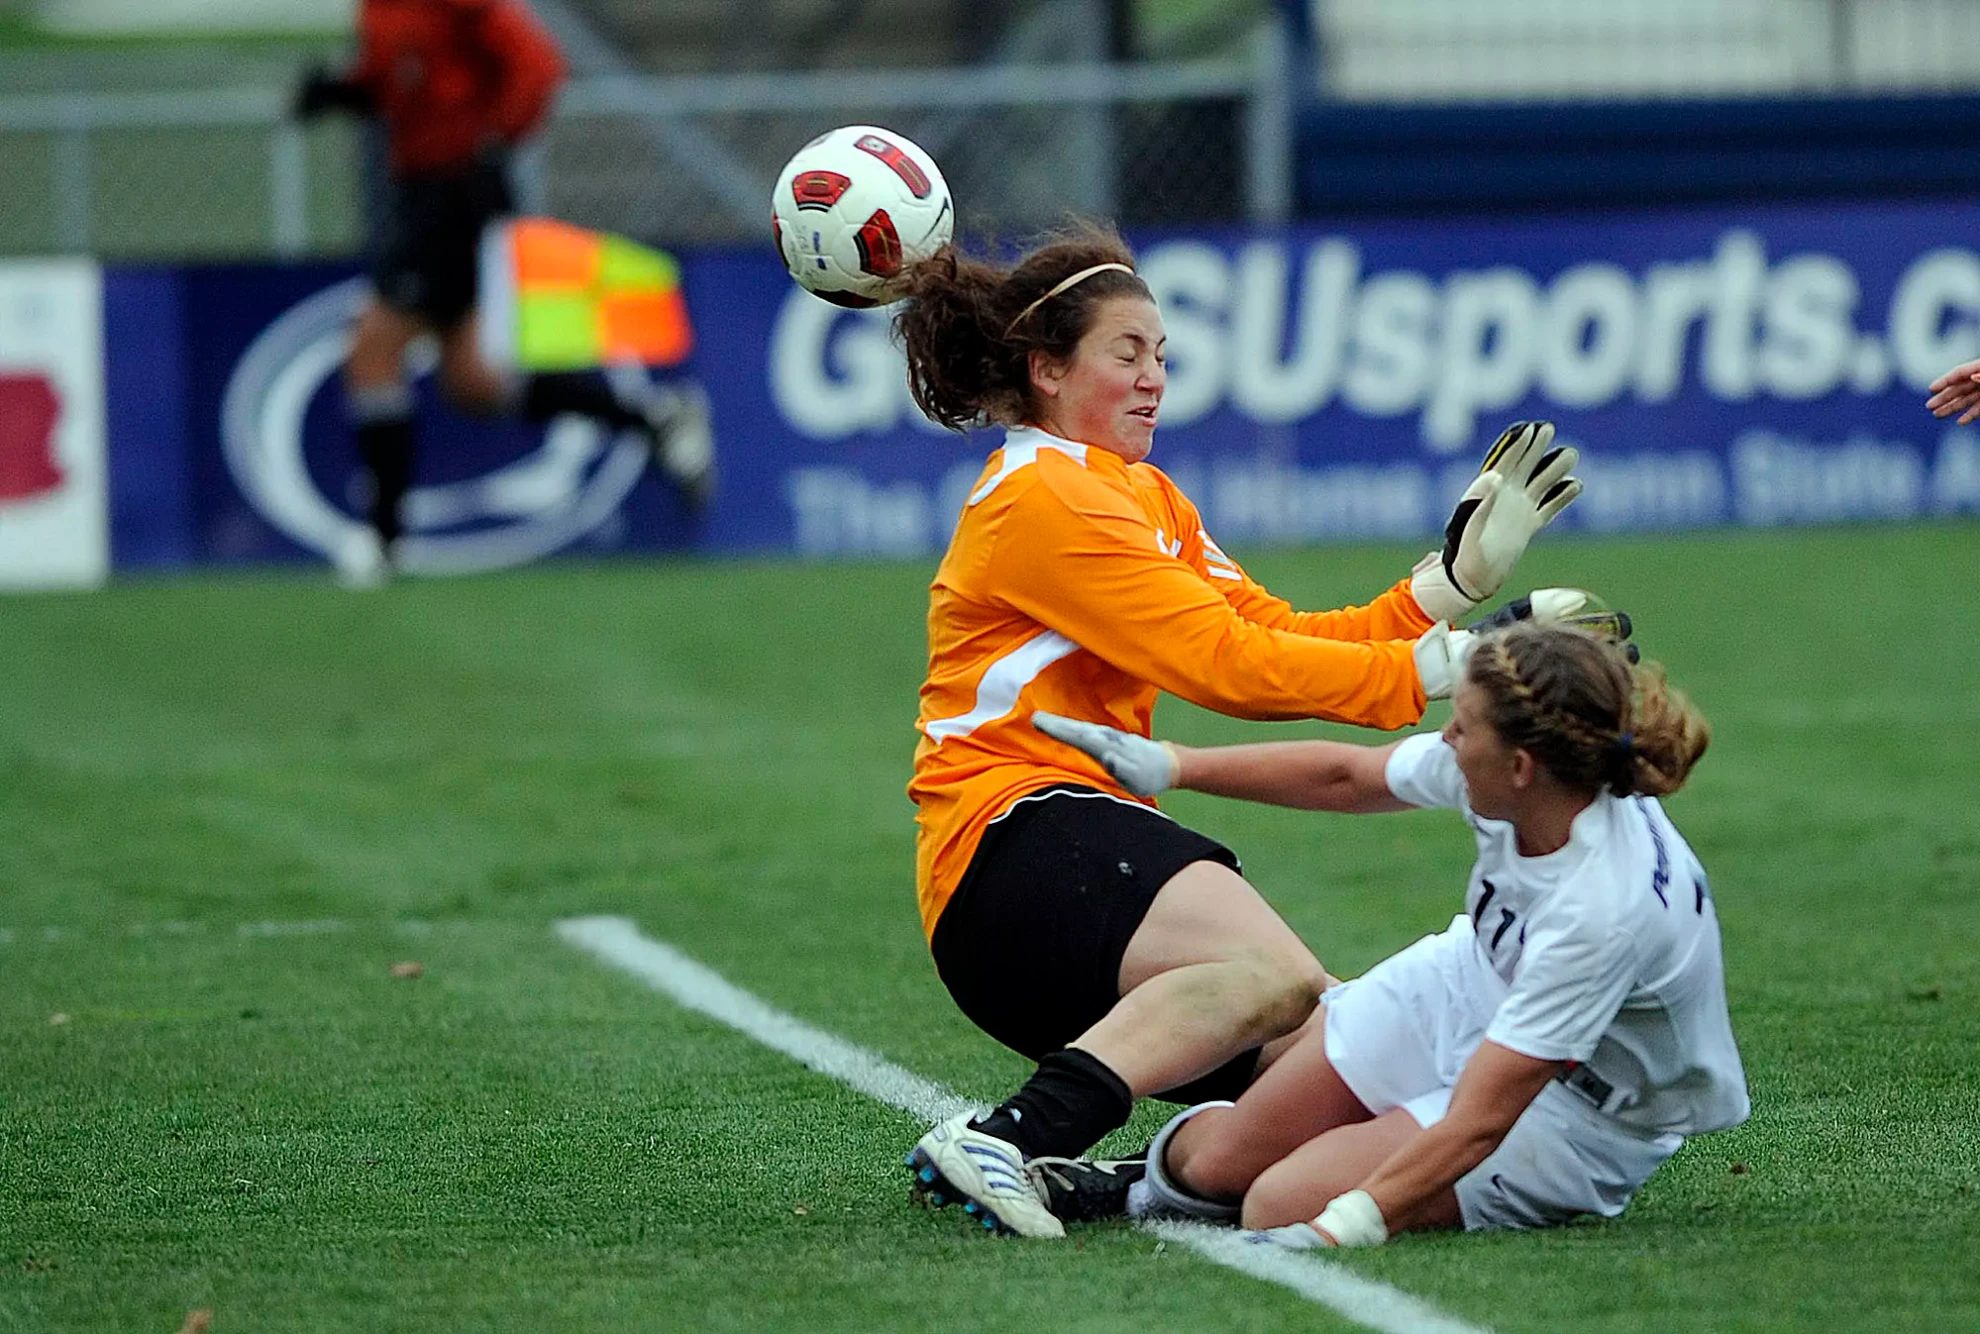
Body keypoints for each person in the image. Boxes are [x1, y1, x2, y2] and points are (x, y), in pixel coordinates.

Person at [893, 223, 1586, 1238]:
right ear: (1045, 370)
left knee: (1347, 1048)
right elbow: (1225, 666)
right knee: (1284, 982)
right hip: (1014, 839)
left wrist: (1443, 593)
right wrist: (1445, 667)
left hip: (1066, 861)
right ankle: (1009, 1132)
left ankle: (1112, 1181)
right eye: (1125, 352)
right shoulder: (1046, 494)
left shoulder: (1138, 491)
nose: (1154, 377)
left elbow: (1278, 632)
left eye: (1162, 354)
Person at [1034, 620, 1747, 1245]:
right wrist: (1174, 765)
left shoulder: (1602, 910)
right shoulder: (1530, 774)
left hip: (1583, 1108)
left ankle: (1331, 1169)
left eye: (1462, 727)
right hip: (1468, 982)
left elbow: (1480, 1117)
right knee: (1212, 1166)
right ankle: (1141, 1185)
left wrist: (1347, 1225)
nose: (1446, 738)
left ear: (1521, 767)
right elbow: (1350, 776)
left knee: (1278, 1204)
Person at [292, 0, 712, 584]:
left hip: (457, 196)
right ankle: (655, 418)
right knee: (474, 382)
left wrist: (494, 138)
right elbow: (404, 78)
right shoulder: (376, 9)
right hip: (419, 195)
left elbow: (537, 63)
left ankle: (385, 541)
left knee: (374, 346)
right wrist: (347, 92)